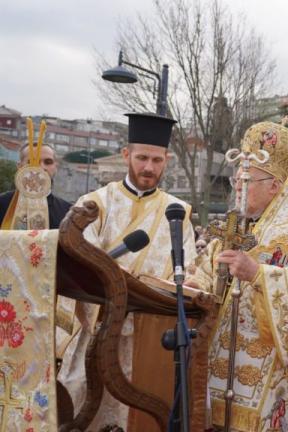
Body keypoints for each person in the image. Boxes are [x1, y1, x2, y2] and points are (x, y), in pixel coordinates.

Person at [186, 121, 288, 431]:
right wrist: (194, 286)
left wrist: (259, 274)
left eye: (247, 179)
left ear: (275, 185)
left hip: (272, 374)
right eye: (236, 179)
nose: (238, 186)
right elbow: (206, 270)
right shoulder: (234, 226)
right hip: (218, 364)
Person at [57, 112, 197, 431]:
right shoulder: (95, 204)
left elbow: (189, 268)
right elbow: (77, 264)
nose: (149, 167)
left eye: (157, 160)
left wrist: (190, 280)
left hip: (150, 337)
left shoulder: (177, 212)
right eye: (142, 158)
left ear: (167, 160)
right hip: (99, 331)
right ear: (126, 155)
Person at [0, 137, 71, 229]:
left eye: (48, 162)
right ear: (20, 167)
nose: (41, 167)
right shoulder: (2, 204)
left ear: (55, 167)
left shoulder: (68, 212)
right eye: (33, 161)